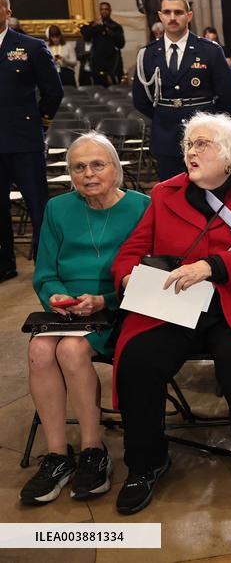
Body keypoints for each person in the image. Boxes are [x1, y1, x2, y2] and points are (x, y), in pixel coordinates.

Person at [111, 113, 231, 516]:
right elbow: (132, 250)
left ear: (228, 155)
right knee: (138, 358)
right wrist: (127, 280)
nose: (191, 151)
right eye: (189, 144)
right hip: (174, 304)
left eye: (202, 144)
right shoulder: (164, 193)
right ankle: (146, 461)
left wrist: (212, 266)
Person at [21, 133, 150, 505]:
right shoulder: (57, 209)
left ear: (117, 168)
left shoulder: (143, 207)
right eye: (79, 167)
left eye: (98, 164)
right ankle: (58, 456)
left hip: (119, 308)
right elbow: (44, 272)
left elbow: (149, 273)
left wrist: (104, 299)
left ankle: (94, 450)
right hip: (67, 309)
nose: (88, 174)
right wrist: (55, 296)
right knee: (40, 352)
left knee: (72, 352)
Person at [133, 0, 231, 181]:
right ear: (160, 16)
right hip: (165, 136)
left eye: (178, 12)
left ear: (188, 16)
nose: (172, 18)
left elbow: (228, 96)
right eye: (167, 12)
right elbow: (140, 100)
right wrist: (164, 114)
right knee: (171, 194)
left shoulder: (210, 51)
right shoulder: (148, 54)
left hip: (204, 137)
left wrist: (211, 125)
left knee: (206, 192)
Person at [0, 0, 63, 283]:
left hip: (24, 139)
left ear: (7, 12)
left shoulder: (30, 47)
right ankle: (4, 263)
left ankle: (44, 262)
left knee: (37, 204)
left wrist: (40, 122)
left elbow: (53, 91)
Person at [79, 2, 126, 86]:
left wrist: (109, 31)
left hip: (112, 62)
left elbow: (121, 44)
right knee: (98, 86)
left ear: (110, 11)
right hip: (97, 62)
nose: (104, 11)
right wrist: (94, 26)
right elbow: (86, 35)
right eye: (102, 9)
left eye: (106, 9)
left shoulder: (116, 26)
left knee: (113, 87)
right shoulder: (95, 25)